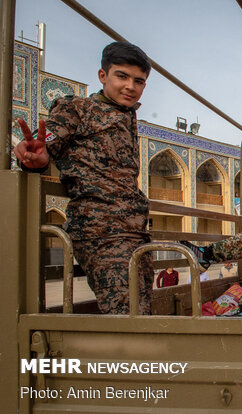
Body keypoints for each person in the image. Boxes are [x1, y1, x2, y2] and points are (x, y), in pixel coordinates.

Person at [13, 42, 154, 314]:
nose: (130, 86)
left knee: (144, 311)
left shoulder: (127, 116)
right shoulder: (77, 109)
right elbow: (45, 143)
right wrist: (36, 160)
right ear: (103, 76)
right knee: (127, 315)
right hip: (101, 232)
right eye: (121, 76)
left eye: (139, 81)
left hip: (134, 232)